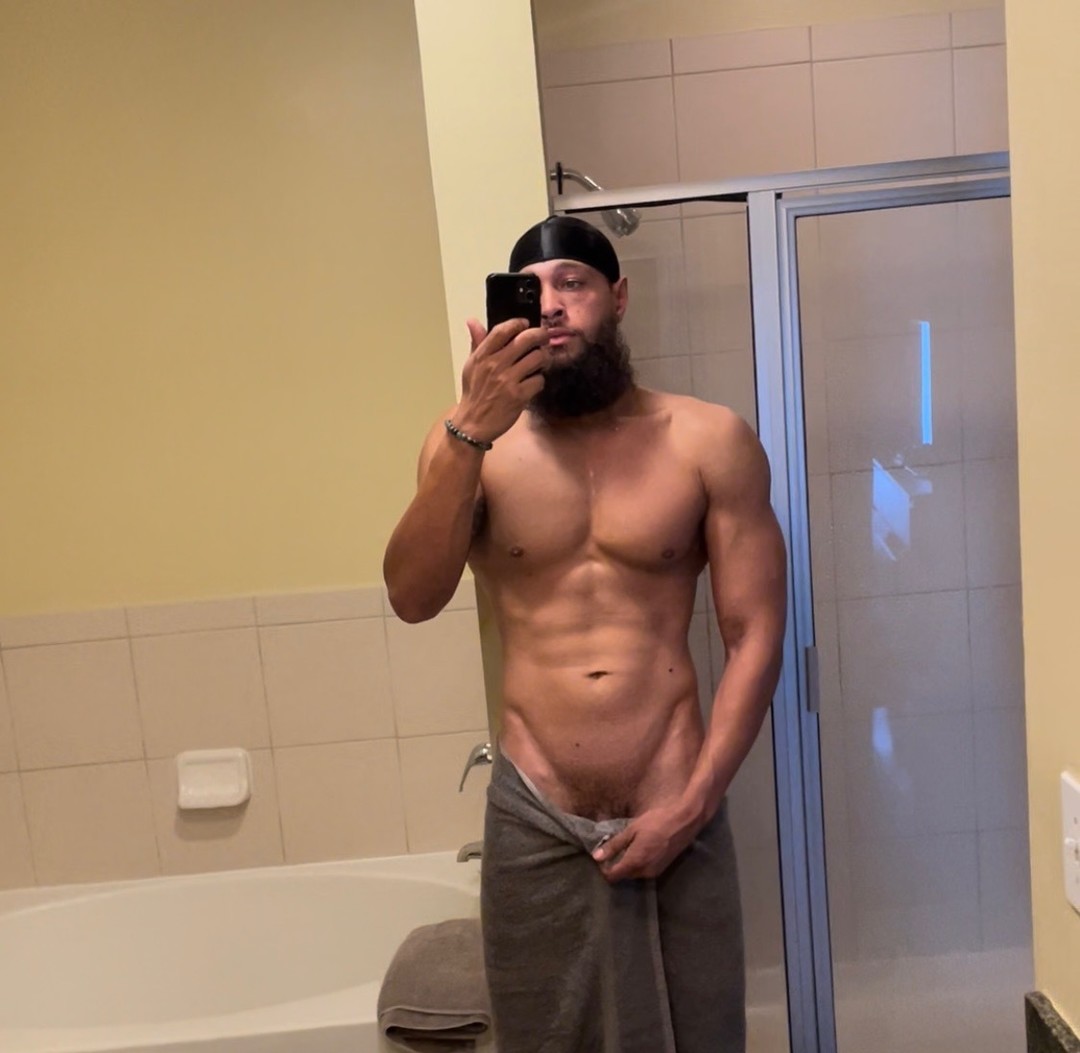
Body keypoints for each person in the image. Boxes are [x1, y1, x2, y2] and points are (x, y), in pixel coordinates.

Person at [383, 215, 787, 1053]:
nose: (553, 305)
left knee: (702, 1036)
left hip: (677, 802)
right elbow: (412, 597)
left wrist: (696, 801)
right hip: (536, 815)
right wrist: (470, 429)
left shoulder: (707, 439)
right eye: (533, 290)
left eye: (574, 282)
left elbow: (754, 632)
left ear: (618, 297)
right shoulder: (471, 446)